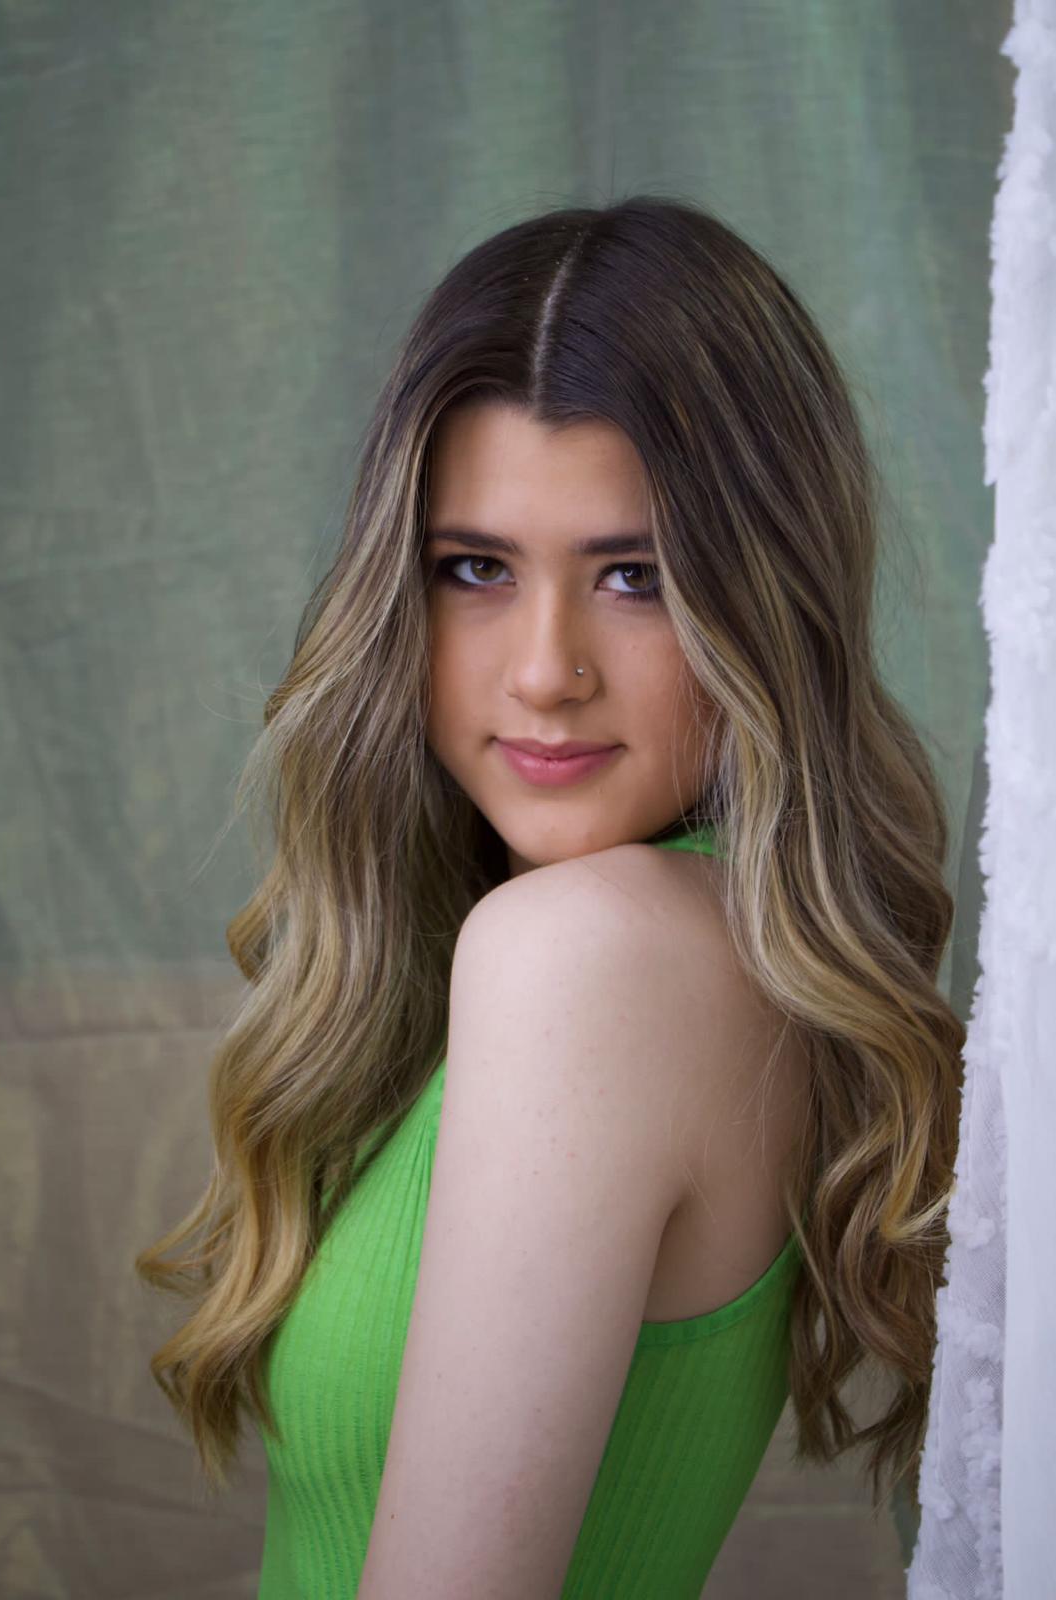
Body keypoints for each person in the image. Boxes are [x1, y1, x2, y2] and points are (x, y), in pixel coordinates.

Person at [136, 194, 965, 1598]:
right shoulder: (675, 943)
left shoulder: (587, 956)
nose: (542, 672)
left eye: (635, 578)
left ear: (769, 603)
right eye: (474, 569)